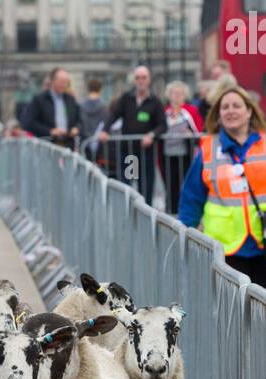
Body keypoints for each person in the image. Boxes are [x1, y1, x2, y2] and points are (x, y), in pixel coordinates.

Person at [178, 86, 266, 287]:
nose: (230, 110)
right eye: (225, 107)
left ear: (249, 111)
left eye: (236, 105)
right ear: (218, 115)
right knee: (233, 306)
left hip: (262, 245)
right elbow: (192, 196)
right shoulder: (208, 149)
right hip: (226, 250)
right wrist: (185, 233)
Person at [97, 65, 166, 207]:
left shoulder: (155, 101)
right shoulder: (126, 98)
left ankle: (145, 213)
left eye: (144, 77)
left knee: (145, 186)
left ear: (149, 80)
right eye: (138, 78)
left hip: (146, 152)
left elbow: (163, 125)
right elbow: (114, 115)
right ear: (134, 80)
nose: (141, 81)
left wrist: (152, 135)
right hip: (129, 153)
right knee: (128, 184)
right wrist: (105, 130)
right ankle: (128, 213)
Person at [160, 82, 202, 215]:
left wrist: (191, 134)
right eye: (174, 93)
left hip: (186, 155)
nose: (178, 96)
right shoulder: (164, 112)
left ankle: (186, 213)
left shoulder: (190, 111)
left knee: (186, 185)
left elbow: (198, 131)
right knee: (170, 185)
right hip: (167, 155)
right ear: (169, 95)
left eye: (181, 93)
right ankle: (171, 213)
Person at [24, 67, 80, 149]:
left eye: (66, 82)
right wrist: (50, 131)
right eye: (62, 82)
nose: (64, 85)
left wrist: (76, 128)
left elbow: (79, 120)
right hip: (47, 146)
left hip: (68, 145)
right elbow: (29, 123)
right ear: (53, 81)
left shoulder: (70, 100)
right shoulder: (40, 99)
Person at [79, 78, 109, 160]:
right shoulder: (104, 106)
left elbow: (81, 123)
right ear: (100, 89)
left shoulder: (81, 105)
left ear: (88, 89)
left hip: (85, 141)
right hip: (99, 142)